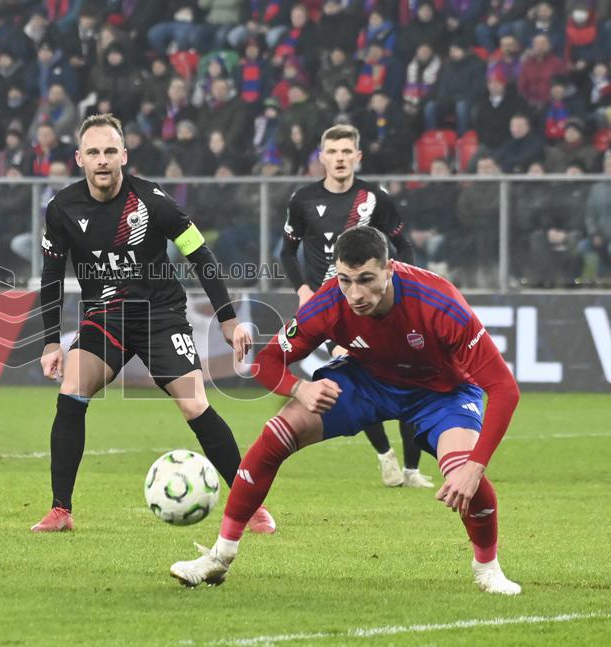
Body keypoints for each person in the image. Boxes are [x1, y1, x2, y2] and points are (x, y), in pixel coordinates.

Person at [170, 226, 522, 595]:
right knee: (277, 433)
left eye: (366, 279)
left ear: (389, 269)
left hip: (442, 393)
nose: (355, 294)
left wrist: (475, 467)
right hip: (366, 381)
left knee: (464, 472)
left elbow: (504, 389)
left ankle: (488, 568)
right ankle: (220, 556)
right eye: (345, 280)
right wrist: (300, 388)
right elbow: (267, 360)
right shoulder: (329, 302)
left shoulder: (438, 302)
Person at [32, 113, 276, 534]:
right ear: (79, 158)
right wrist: (51, 341)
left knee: (194, 404)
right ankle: (60, 511)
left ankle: (250, 507)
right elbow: (51, 276)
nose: (103, 160)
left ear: (124, 156)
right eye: (94, 152)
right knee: (71, 390)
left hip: (160, 316)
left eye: (110, 151)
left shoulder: (153, 202)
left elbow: (199, 254)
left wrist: (228, 318)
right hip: (105, 317)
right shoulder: (62, 208)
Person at [279, 124, 430, 489]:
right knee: (360, 376)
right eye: (332, 152)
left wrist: (402, 286)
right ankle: (385, 455)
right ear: (322, 157)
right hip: (334, 311)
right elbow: (287, 251)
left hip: (376, 306)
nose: (340, 158)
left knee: (406, 375)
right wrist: (303, 289)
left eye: (347, 151)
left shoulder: (375, 198)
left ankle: (411, 469)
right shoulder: (302, 200)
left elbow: (403, 246)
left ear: (358, 156)